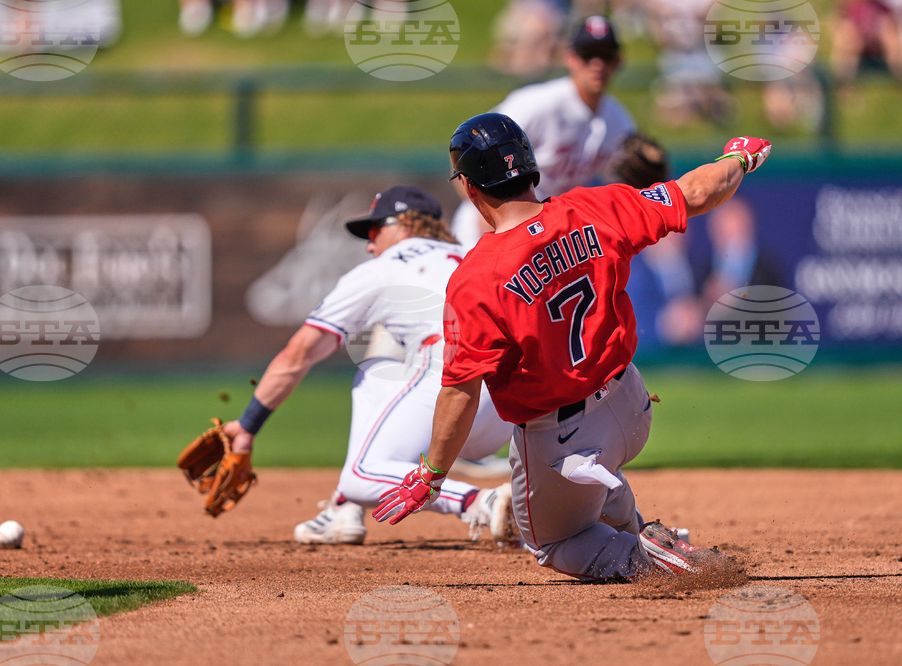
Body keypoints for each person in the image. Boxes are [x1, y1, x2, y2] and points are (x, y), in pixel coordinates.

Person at [374, 114, 772, 580]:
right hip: (631, 406)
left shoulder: (477, 277)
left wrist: (432, 475)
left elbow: (461, 391)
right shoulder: (594, 208)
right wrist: (739, 158)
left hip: (562, 437)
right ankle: (643, 530)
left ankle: (645, 556)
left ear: (470, 187)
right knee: (589, 487)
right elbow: (697, 191)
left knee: (553, 543)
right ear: (529, 167)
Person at [222, 185, 517, 546]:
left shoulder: (381, 269)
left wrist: (249, 425)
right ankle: (343, 508)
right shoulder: (475, 253)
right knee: (378, 358)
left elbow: (298, 354)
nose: (369, 243)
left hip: (451, 386)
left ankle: (477, 501)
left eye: (375, 230)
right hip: (507, 404)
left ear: (406, 225)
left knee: (359, 473)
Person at [452, 15, 635, 249]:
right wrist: (487, 212)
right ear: (570, 58)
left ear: (618, 61)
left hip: (549, 232)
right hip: (486, 227)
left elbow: (627, 188)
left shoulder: (619, 122)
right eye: (588, 54)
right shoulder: (537, 104)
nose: (597, 64)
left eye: (606, 55)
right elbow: (467, 149)